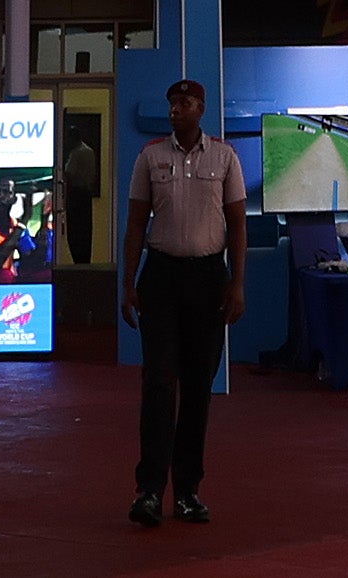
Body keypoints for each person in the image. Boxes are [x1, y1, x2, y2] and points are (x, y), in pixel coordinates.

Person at [122, 77, 240, 528]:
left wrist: (238, 285)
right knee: (157, 384)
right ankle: (149, 490)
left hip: (209, 279)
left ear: (201, 109)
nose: (177, 108)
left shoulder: (225, 157)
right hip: (162, 278)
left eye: (185, 102)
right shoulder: (150, 157)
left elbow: (238, 227)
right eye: (172, 101)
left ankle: (188, 491)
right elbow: (135, 225)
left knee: (196, 389)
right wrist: (128, 285)